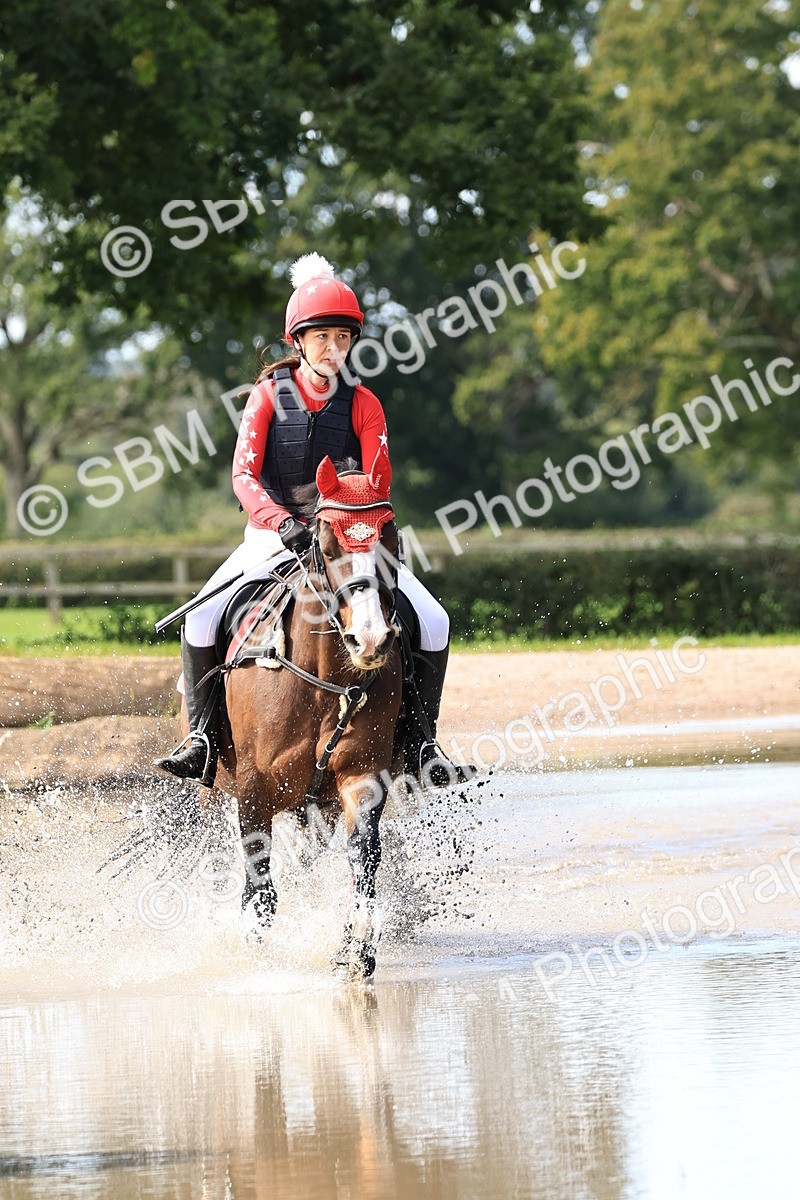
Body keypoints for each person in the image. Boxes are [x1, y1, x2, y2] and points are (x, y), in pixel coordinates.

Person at [154, 253, 470, 789]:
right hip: (272, 536)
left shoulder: (365, 403)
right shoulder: (267, 398)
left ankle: (420, 745)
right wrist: (282, 523)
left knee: (434, 621)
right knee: (200, 620)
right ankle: (202, 741)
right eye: (321, 337)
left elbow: (377, 481)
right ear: (298, 341)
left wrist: (348, 523)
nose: (333, 349)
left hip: (349, 537)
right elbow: (243, 478)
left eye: (342, 338)